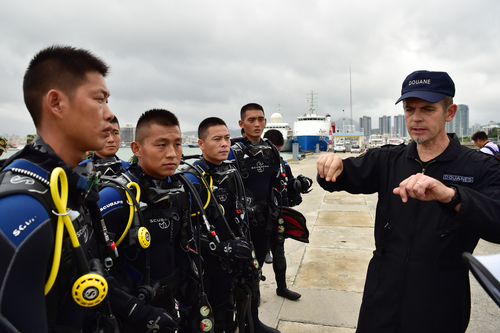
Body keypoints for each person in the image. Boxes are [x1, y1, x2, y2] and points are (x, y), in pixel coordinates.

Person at [317, 70, 500, 333]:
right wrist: (330, 166)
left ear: (449, 113)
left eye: (427, 109)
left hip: (441, 303)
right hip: (381, 298)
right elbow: (343, 175)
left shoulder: (481, 167)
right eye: (409, 109)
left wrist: (451, 196)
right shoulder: (388, 159)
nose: (416, 118)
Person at [0, 45, 115, 332]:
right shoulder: (21, 207)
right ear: (56, 103)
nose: (109, 114)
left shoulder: (71, 184)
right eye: (99, 99)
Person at [97, 109, 201, 332]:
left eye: (178, 144)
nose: (172, 154)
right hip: (132, 315)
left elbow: (185, 246)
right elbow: (92, 269)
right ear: (136, 149)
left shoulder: (181, 190)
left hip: (172, 303)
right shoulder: (116, 197)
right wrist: (139, 312)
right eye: (161, 145)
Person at [182, 117, 254, 332]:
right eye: (217, 139)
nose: (224, 144)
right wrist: (217, 247)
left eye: (227, 138)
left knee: (226, 312)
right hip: (203, 267)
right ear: (201, 144)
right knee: (200, 319)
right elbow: (182, 234)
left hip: (230, 262)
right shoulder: (192, 180)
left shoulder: (231, 173)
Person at [228, 103, 287, 333]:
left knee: (256, 271)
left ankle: (253, 322)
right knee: (238, 277)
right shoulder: (232, 151)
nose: (257, 124)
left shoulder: (271, 150)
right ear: (241, 124)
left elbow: (277, 184)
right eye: (251, 120)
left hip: (264, 222)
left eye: (260, 119)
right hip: (239, 225)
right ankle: (240, 324)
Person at [263, 129, 312, 300]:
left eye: (277, 149)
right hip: (258, 219)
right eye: (272, 149)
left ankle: (282, 288)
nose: (275, 153)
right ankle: (254, 296)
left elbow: (290, 188)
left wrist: (298, 187)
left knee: (279, 253)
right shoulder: (257, 166)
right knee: (254, 258)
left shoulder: (284, 165)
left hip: (278, 216)